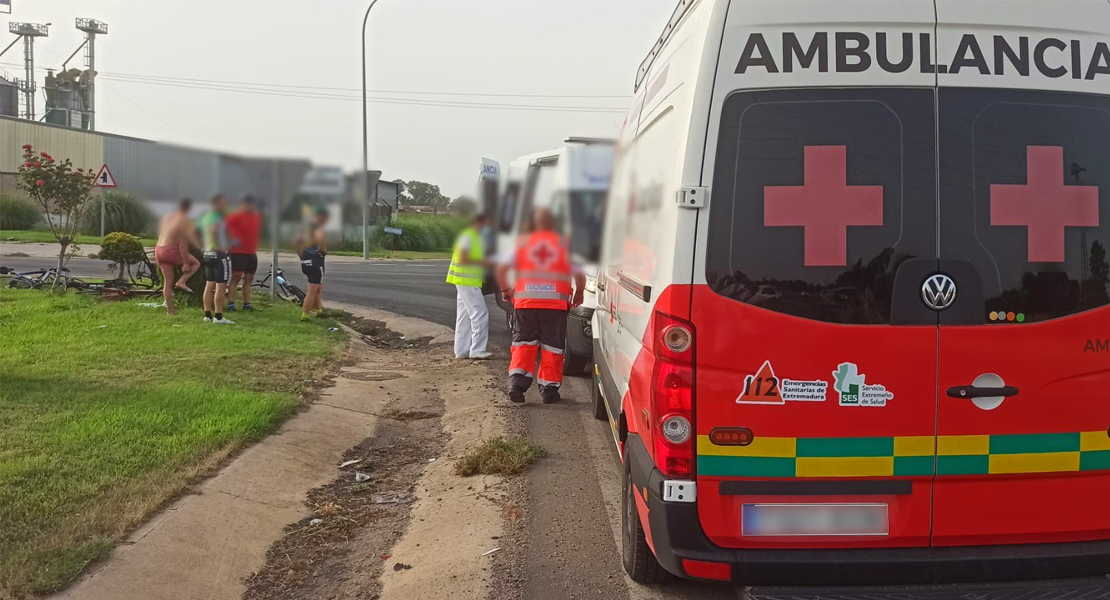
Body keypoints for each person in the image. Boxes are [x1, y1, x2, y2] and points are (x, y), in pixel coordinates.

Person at [496, 208, 586, 404]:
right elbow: (579, 274)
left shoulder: (521, 243)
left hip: (525, 304)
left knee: (523, 344)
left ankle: (517, 384)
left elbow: (502, 269)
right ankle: (549, 391)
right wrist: (579, 292)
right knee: (552, 347)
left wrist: (506, 289)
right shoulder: (565, 244)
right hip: (555, 306)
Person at [447, 213, 494, 360]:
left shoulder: (471, 237)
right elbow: (463, 258)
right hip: (467, 282)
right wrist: (484, 263)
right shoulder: (469, 236)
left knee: (464, 317)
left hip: (463, 281)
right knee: (480, 314)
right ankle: (477, 350)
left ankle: (461, 351)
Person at [154, 198, 201, 316]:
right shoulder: (183, 220)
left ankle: (170, 310)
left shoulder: (167, 217)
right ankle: (182, 281)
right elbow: (183, 245)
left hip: (159, 250)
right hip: (171, 250)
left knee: (168, 282)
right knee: (196, 263)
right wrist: (185, 263)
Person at [199, 194, 235, 324]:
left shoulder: (206, 217)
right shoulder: (218, 217)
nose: (225, 205)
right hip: (218, 254)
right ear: (217, 203)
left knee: (209, 284)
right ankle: (218, 316)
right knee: (220, 286)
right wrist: (221, 246)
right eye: (224, 203)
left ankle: (207, 315)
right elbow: (215, 230)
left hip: (207, 253)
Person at [226, 195, 263, 312]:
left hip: (251, 252)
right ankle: (231, 304)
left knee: (249, 278)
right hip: (238, 251)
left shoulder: (256, 216)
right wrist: (231, 241)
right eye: (247, 204)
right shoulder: (235, 216)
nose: (249, 206)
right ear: (242, 204)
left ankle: (246, 304)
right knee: (236, 276)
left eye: (251, 204)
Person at [295, 207, 328, 321]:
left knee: (318, 286)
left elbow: (296, 241)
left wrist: (301, 255)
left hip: (305, 262)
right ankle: (305, 315)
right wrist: (323, 252)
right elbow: (320, 239)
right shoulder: (318, 228)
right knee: (312, 289)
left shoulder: (306, 228)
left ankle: (319, 311)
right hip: (316, 262)